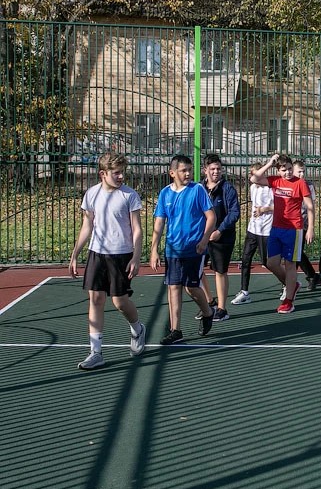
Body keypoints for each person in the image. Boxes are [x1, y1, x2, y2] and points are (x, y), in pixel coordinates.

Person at [68, 152, 147, 369]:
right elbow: (87, 226)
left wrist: (136, 257)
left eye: (123, 172)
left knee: (119, 302)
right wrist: (75, 254)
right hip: (97, 253)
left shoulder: (129, 196)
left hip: (121, 254)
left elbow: (137, 230)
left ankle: (138, 329)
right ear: (103, 174)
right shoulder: (91, 194)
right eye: (116, 173)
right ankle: (96, 352)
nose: (121, 176)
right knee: (95, 300)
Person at [150, 154, 216, 345]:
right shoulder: (165, 194)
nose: (187, 173)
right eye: (183, 170)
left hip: (194, 248)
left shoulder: (197, 190)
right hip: (173, 250)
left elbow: (211, 217)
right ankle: (175, 329)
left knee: (191, 287)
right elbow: (159, 222)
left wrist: (204, 240)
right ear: (172, 173)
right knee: (173, 287)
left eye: (189, 170)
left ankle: (207, 311)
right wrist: (154, 249)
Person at [251, 153, 315, 313]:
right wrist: (270, 163)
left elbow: (310, 206)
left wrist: (311, 228)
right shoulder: (275, 181)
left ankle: (289, 300)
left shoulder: (300, 183)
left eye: (288, 169)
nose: (287, 172)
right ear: (278, 170)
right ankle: (292, 285)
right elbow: (254, 179)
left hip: (293, 229)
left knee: (290, 264)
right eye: (283, 170)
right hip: (276, 228)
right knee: (271, 263)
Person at [195, 153, 240, 321]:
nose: (216, 172)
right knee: (198, 271)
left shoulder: (227, 188)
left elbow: (234, 213)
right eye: (212, 169)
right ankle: (209, 303)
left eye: (219, 169)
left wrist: (219, 230)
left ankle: (222, 309)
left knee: (220, 271)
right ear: (205, 170)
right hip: (202, 236)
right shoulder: (199, 188)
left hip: (223, 236)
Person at [231, 162, 273, 305]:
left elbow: (279, 207)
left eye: (259, 173)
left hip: (266, 230)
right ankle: (244, 292)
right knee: (245, 260)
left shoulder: (270, 189)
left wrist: (264, 209)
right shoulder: (253, 187)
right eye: (254, 174)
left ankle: (287, 284)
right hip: (252, 229)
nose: (256, 176)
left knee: (267, 263)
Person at [292, 159, 321, 291]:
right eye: (299, 172)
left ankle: (289, 283)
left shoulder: (308, 185)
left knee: (296, 254)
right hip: (288, 224)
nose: (302, 174)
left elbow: (311, 207)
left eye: (303, 171)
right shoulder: (289, 183)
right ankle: (312, 276)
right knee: (295, 254)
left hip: (302, 224)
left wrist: (311, 227)